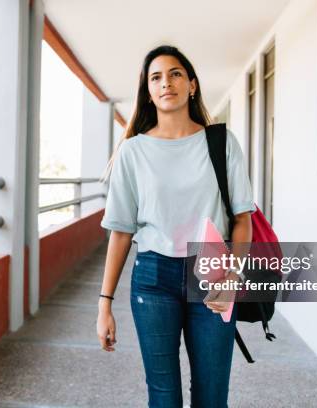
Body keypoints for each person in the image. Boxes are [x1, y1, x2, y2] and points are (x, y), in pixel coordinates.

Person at [96, 44, 255, 408]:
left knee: (212, 397)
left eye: (175, 74)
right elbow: (121, 231)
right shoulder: (133, 152)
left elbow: (242, 219)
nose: (166, 82)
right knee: (164, 398)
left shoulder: (221, 142)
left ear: (192, 85)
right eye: (156, 78)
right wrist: (104, 304)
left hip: (214, 272)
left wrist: (233, 277)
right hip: (153, 277)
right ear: (149, 92)